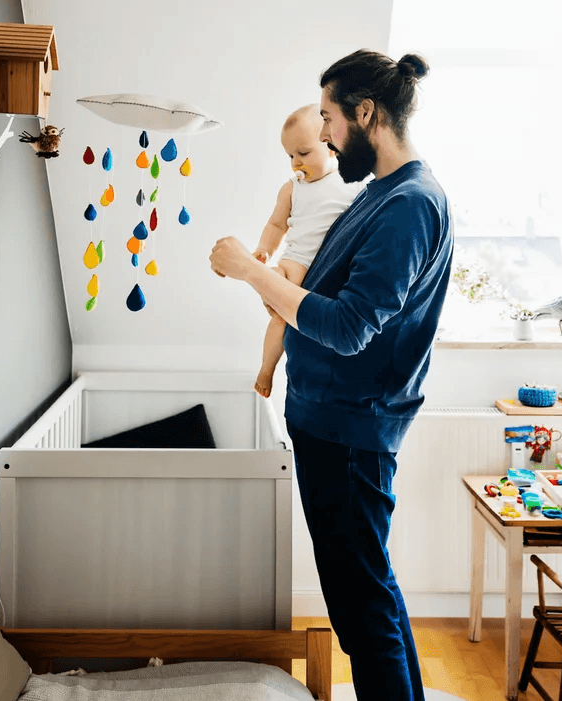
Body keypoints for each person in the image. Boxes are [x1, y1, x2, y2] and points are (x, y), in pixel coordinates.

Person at [210, 49, 453, 701]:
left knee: (361, 611)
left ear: (364, 113)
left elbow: (349, 327)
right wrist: (279, 285)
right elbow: (327, 295)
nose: (319, 134)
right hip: (328, 422)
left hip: (350, 431)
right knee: (367, 593)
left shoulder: (408, 205)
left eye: (327, 116)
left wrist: (250, 270)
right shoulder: (378, 195)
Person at [251, 104, 365, 398]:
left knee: (321, 322)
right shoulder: (291, 189)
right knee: (279, 316)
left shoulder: (351, 185)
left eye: (303, 153)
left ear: (331, 148)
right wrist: (264, 250)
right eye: (290, 155)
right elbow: (276, 225)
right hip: (297, 260)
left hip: (332, 265)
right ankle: (267, 367)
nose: (295, 163)